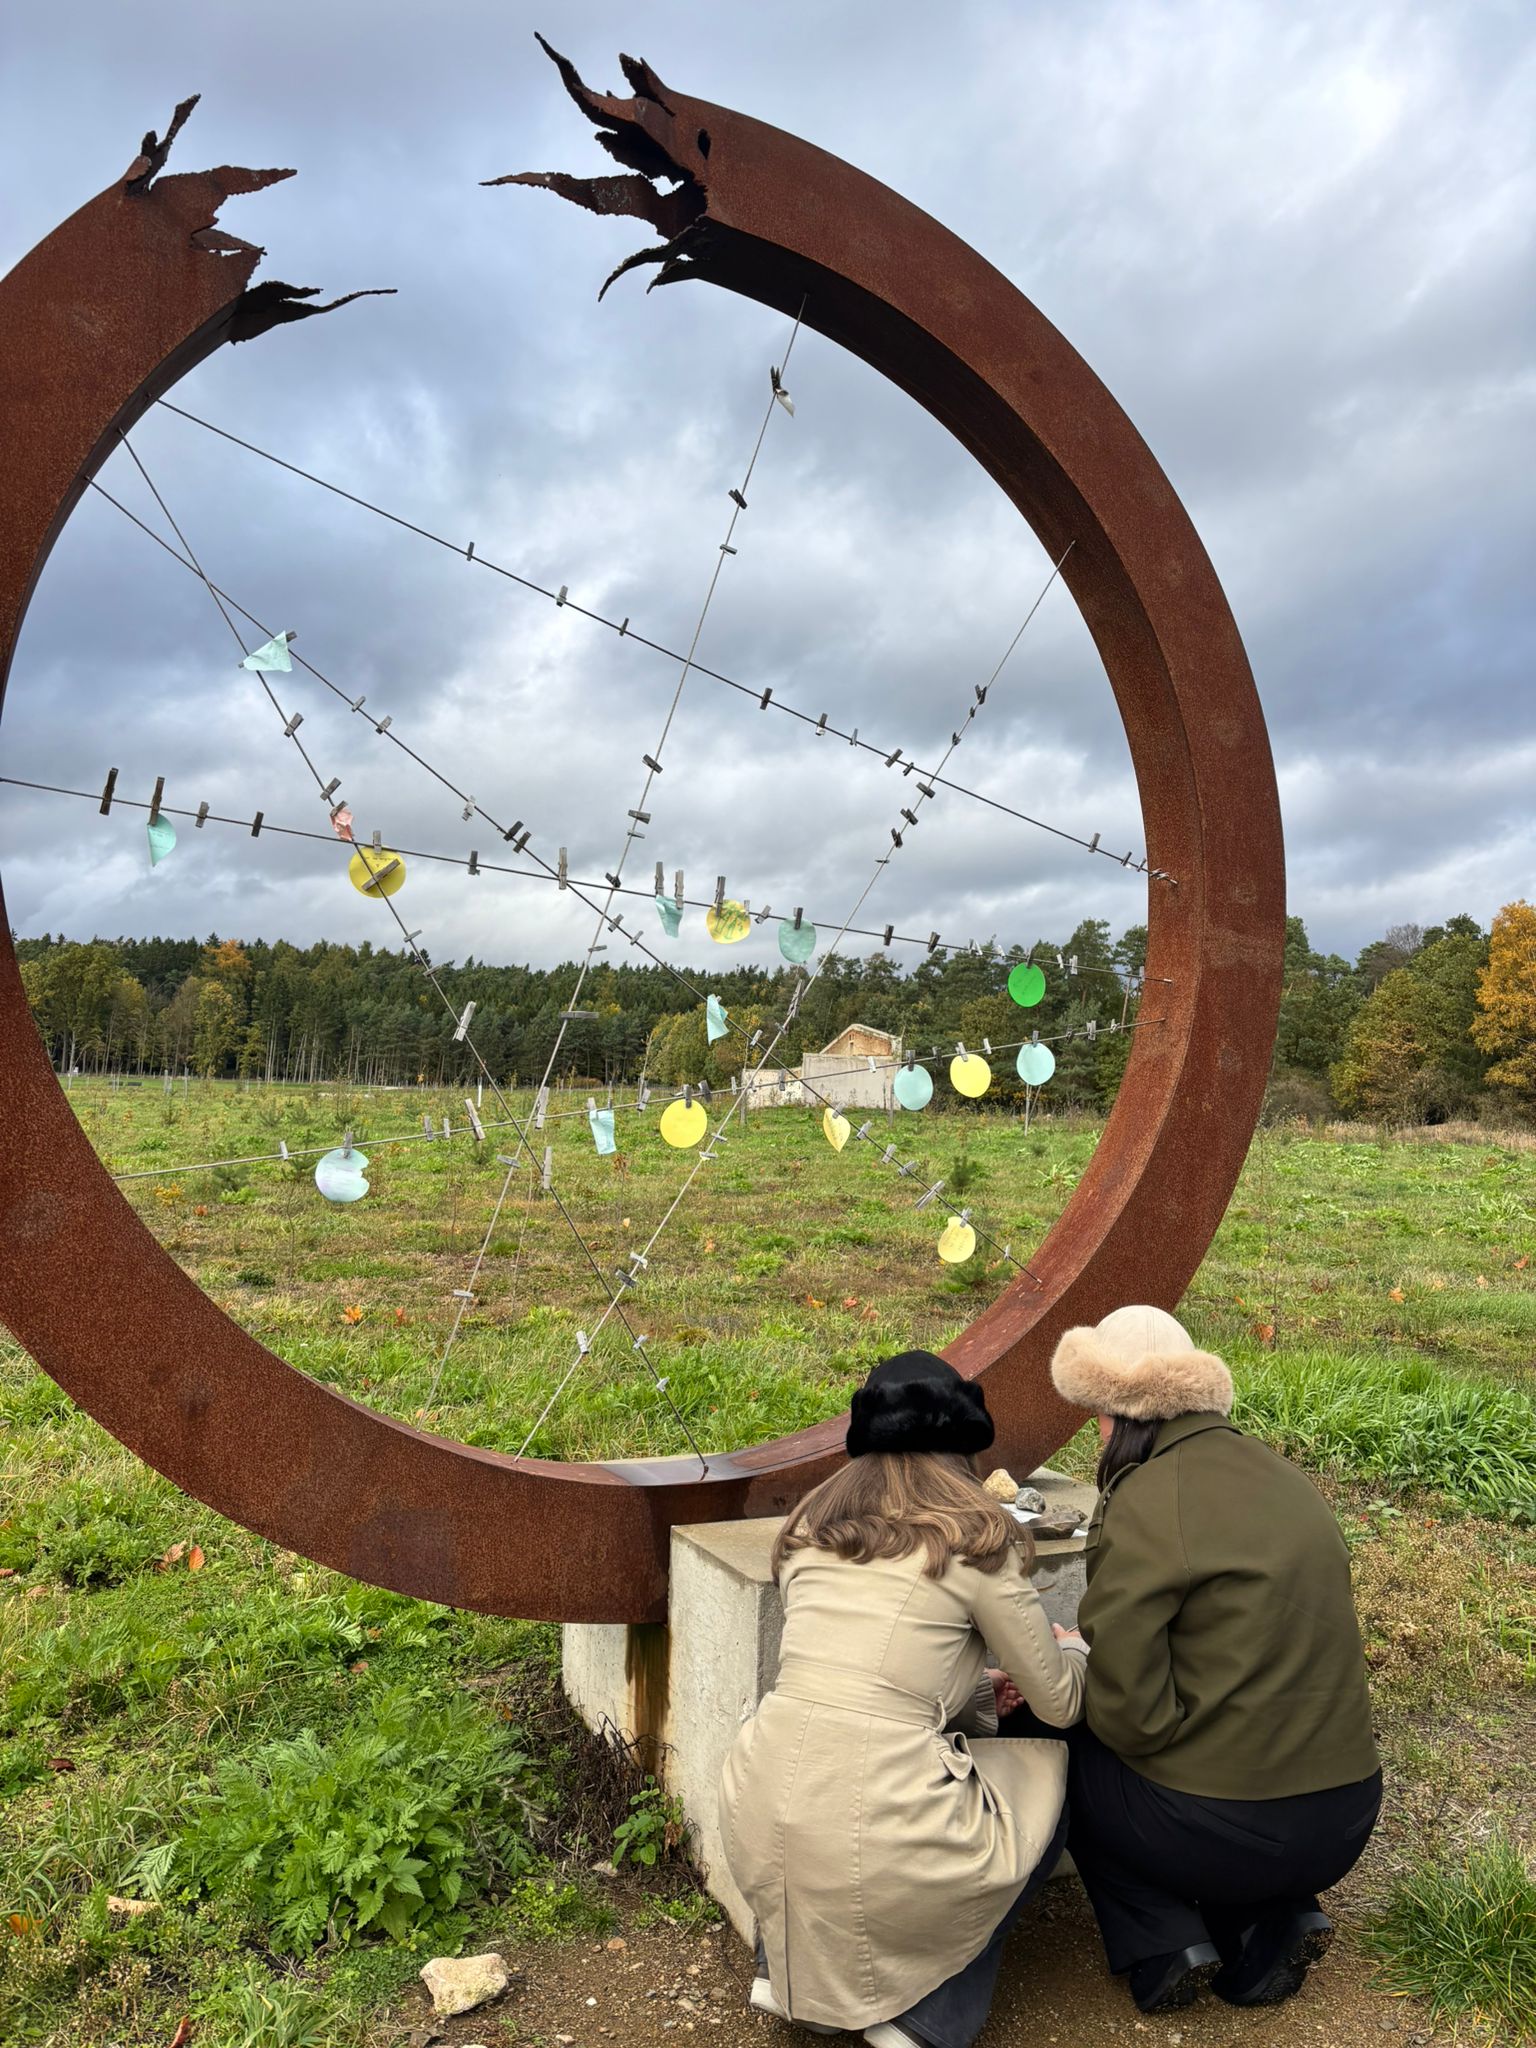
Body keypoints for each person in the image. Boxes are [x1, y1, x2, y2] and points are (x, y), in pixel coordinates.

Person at [720, 1350, 1090, 2048]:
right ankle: (926, 2017)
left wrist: (979, 1689)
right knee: (1046, 1795)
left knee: (824, 1822)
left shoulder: (807, 1533)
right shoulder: (977, 1539)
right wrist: (1073, 1647)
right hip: (882, 1811)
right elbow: (1063, 1704)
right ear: (963, 1446)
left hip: (759, 1794)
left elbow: (861, 1683)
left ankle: (784, 1968)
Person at [1041, 1304, 1382, 2014]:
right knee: (1208, 1786)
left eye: (1096, 1416)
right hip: (1347, 1817)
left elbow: (1132, 1723)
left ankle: (1166, 1943)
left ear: (1121, 1411)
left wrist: (1079, 1661)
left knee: (1062, 1745)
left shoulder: (1144, 1497)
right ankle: (1272, 1919)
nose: (1095, 1435)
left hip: (1228, 1829)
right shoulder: (1285, 1480)